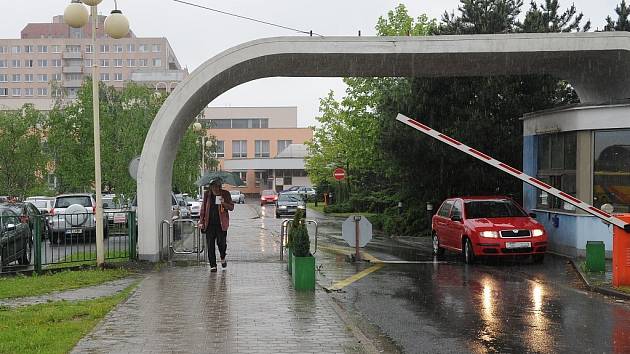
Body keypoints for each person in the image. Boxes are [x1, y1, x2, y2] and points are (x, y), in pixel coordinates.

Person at [199, 177, 234, 272]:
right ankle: (213, 265)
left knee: (221, 243)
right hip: (209, 224)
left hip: (221, 224)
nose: (215, 189)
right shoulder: (207, 194)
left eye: (217, 186)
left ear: (220, 186)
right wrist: (201, 221)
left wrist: (224, 203)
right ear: (210, 187)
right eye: (213, 187)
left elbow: (231, 207)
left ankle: (223, 257)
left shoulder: (225, 194)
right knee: (210, 245)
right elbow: (203, 209)